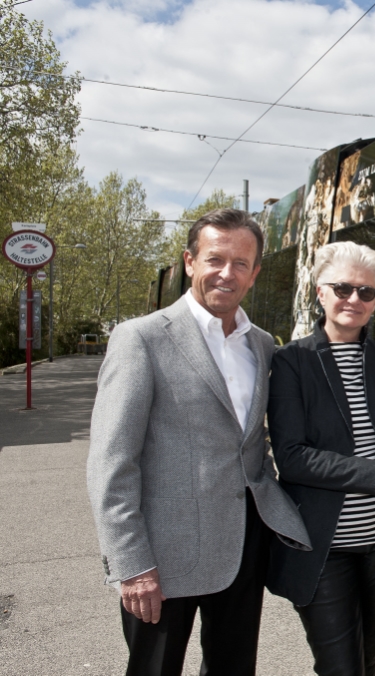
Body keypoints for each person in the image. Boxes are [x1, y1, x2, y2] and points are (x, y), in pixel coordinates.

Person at [87, 208, 311, 676]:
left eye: (241, 263)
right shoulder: (141, 339)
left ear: (255, 273)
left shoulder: (264, 345)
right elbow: (111, 464)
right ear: (190, 261)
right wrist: (132, 564)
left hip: (243, 548)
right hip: (162, 559)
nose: (226, 273)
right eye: (215, 259)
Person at [265, 241, 375, 676]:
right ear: (319, 292)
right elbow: (292, 457)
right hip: (324, 545)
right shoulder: (292, 363)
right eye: (342, 288)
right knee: (341, 667)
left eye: (367, 292)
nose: (353, 300)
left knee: (367, 658)